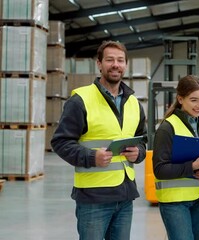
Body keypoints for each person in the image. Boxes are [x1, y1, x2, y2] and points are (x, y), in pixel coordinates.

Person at [51, 41, 147, 240]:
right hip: (93, 198)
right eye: (110, 60)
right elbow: (60, 142)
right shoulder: (80, 100)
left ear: (125, 65)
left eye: (120, 60)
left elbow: (142, 141)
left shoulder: (134, 104)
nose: (115, 65)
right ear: (99, 64)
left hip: (125, 196)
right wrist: (91, 156)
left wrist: (139, 153)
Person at [152, 75, 199, 240]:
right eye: (194, 100)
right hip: (175, 202)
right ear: (180, 99)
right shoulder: (167, 128)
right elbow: (159, 169)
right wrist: (193, 166)